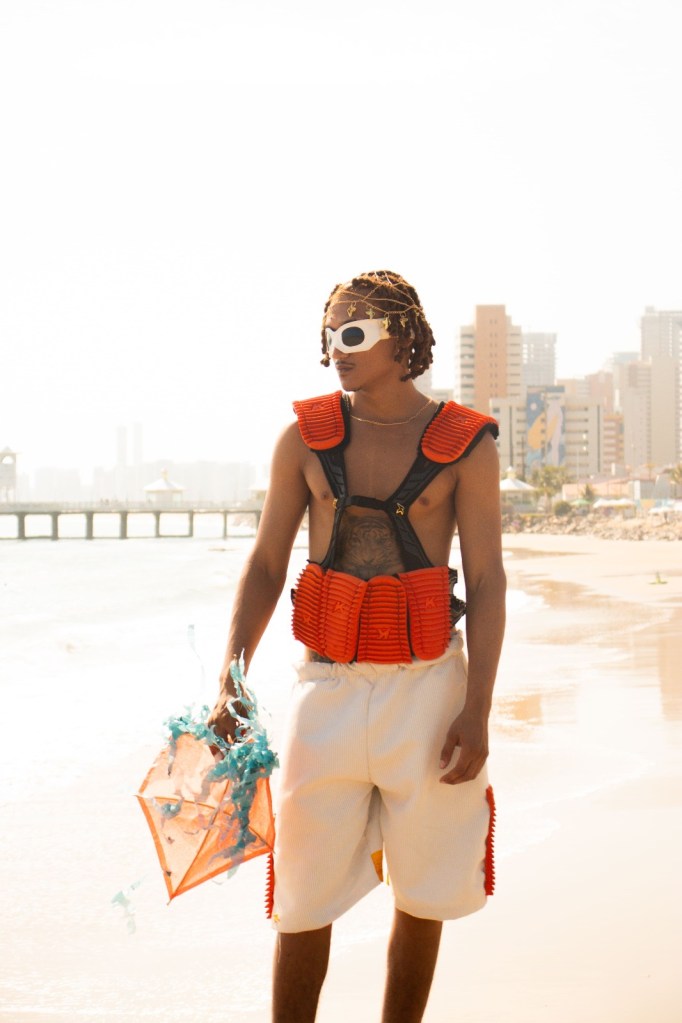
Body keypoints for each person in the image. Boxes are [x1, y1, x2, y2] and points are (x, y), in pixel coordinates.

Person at [208, 269, 506, 1023]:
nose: (336, 348)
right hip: (327, 688)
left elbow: (488, 580)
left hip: (428, 689)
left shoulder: (466, 444)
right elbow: (267, 565)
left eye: (354, 332)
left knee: (425, 889)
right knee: (300, 895)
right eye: (329, 334)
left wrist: (477, 709)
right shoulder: (302, 439)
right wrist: (231, 681)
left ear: (401, 338)